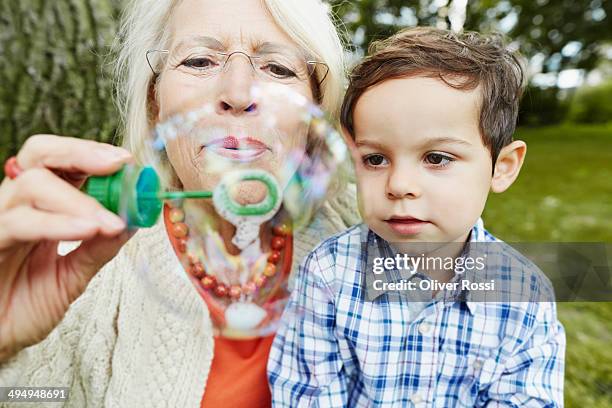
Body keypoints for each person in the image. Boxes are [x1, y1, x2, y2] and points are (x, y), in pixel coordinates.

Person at [0, 0, 360, 406]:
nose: (238, 94)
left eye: (278, 67)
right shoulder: (71, 262)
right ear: (155, 104)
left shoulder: (379, 233)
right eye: (199, 60)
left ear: (315, 111)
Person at [268, 27, 565, 406]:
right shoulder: (328, 274)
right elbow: (306, 395)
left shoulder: (525, 294)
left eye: (436, 158)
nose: (399, 184)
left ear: (502, 167)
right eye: (375, 159)